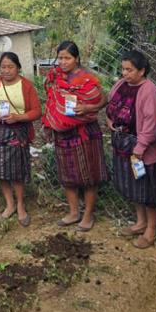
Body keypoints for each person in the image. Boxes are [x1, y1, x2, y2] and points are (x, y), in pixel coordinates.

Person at [106, 50, 156, 249]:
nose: (125, 74)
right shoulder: (121, 85)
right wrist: (110, 121)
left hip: (143, 149)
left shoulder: (149, 91)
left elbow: (150, 123)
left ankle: (151, 228)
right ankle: (140, 222)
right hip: (123, 145)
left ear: (142, 71)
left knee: (148, 189)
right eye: (123, 69)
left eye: (130, 70)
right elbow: (111, 104)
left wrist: (140, 147)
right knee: (134, 186)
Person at [43, 41, 108, 232]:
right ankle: (73, 212)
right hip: (63, 134)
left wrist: (88, 108)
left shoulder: (87, 79)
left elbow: (102, 98)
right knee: (67, 175)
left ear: (77, 59)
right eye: (60, 58)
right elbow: (51, 99)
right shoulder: (55, 77)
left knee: (89, 175)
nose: (63, 62)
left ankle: (88, 215)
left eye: (67, 58)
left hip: (85, 134)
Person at [0, 52, 42, 226]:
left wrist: (19, 117)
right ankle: (9, 204)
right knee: (0, 170)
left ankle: (21, 205)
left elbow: (36, 111)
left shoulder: (26, 86)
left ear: (18, 68)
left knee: (16, 171)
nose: (6, 70)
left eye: (10, 67)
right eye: (3, 67)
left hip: (16, 132)